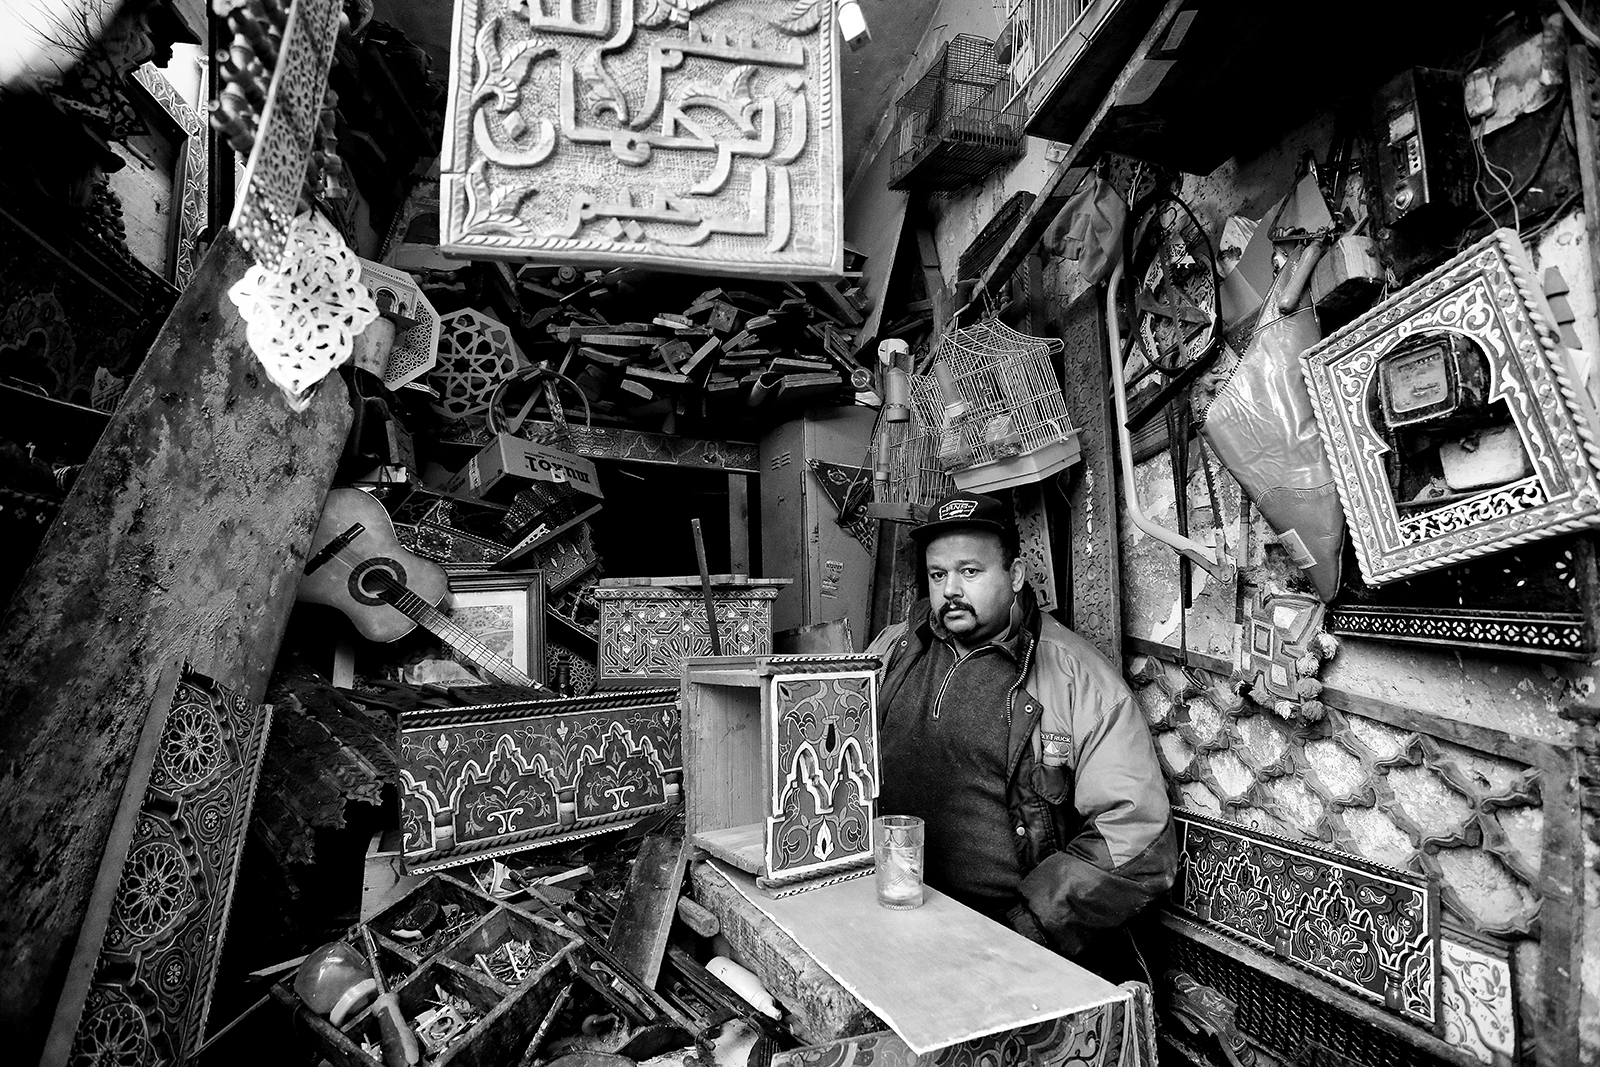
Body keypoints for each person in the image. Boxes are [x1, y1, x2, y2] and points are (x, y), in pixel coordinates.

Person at [865, 490, 1176, 980]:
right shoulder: (897, 649)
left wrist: (1025, 928)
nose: (950, 590)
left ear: (1014, 575)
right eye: (937, 574)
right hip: (895, 912)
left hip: (1009, 946)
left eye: (970, 571)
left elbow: (1137, 832)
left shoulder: (1077, 678)